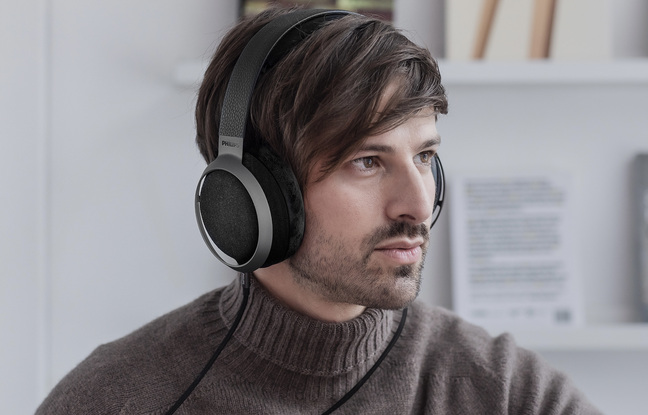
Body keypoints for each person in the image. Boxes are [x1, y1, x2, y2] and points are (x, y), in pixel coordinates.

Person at [36, 6, 601, 414]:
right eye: (367, 162)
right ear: (251, 197)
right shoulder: (113, 399)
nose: (419, 205)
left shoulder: (506, 393)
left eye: (425, 155)